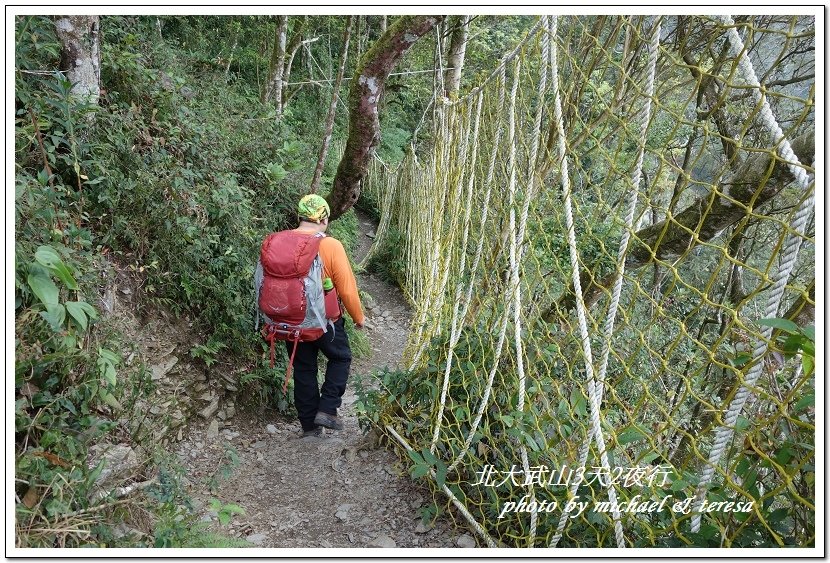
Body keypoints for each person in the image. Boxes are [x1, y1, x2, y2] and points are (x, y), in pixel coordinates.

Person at [258, 194, 365, 437]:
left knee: (303, 368)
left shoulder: (277, 242)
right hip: (324, 322)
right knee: (340, 358)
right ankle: (327, 410)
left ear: (300, 217)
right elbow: (346, 288)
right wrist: (359, 318)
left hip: (289, 322)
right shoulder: (329, 245)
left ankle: (309, 426)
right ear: (324, 218)